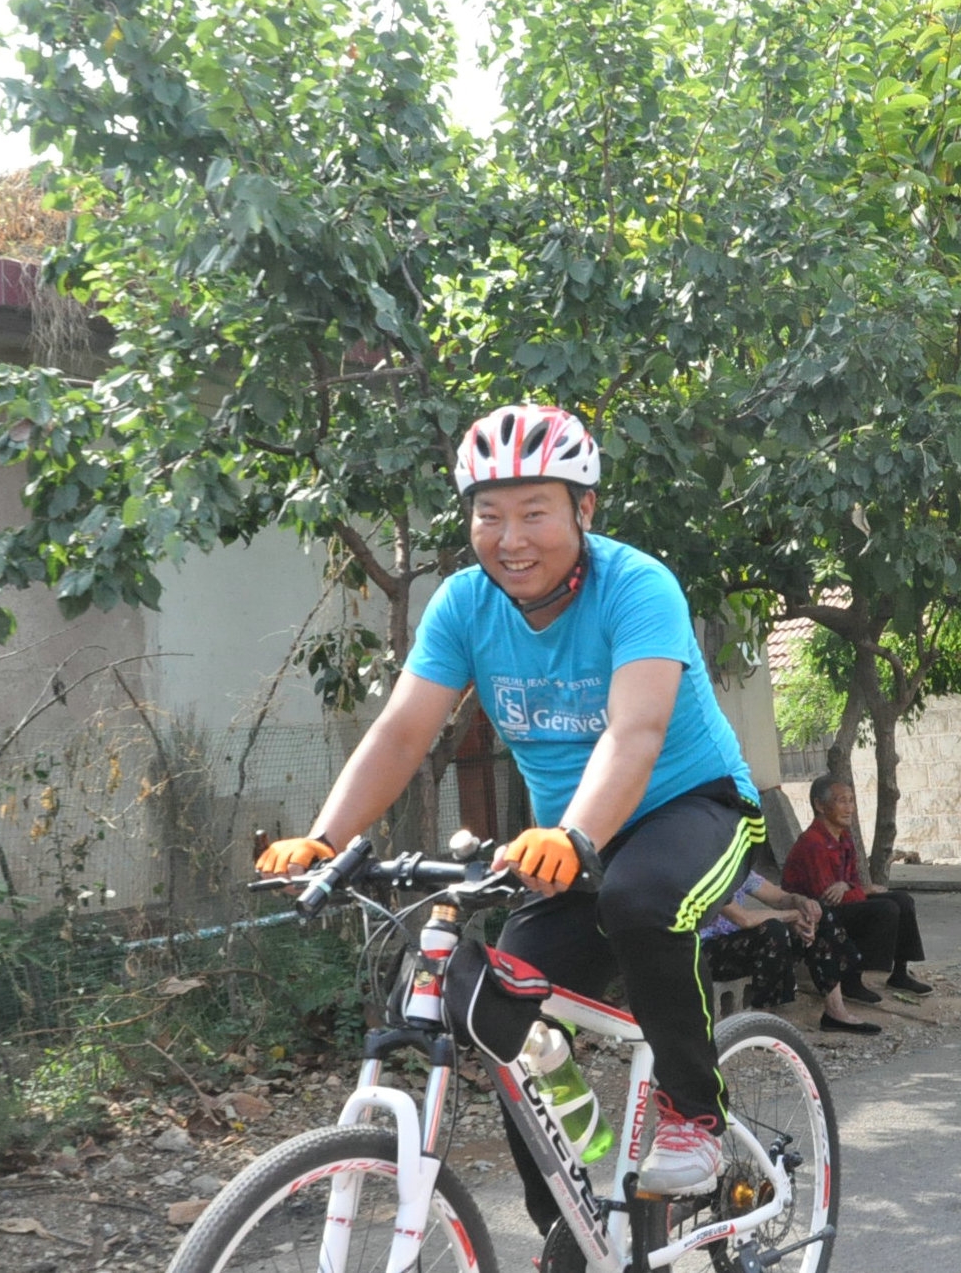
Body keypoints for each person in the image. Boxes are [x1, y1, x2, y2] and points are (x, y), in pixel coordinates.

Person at [256, 403, 763, 1230]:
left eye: (536, 512)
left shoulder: (636, 586)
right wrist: (327, 836)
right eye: (490, 515)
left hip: (692, 809)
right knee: (492, 1012)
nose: (511, 537)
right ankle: (574, 1221)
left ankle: (695, 1116)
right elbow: (401, 733)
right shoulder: (464, 606)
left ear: (584, 511)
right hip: (571, 842)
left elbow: (634, 736)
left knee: (640, 900)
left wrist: (575, 834)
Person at [779, 775, 931, 996]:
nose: (849, 808)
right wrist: (862, 890)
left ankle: (900, 973)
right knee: (884, 909)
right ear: (820, 806)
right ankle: (851, 979)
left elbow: (851, 882)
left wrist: (848, 886)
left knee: (902, 900)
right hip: (817, 913)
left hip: (840, 902)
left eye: (851, 801)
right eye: (842, 801)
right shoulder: (812, 843)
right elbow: (827, 898)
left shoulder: (844, 837)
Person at [701, 871, 883, 1035]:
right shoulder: (703, 873)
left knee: (819, 915)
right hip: (703, 953)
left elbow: (780, 898)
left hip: (735, 943)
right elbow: (744, 919)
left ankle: (835, 1011)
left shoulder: (739, 871)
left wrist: (801, 903)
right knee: (772, 930)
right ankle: (762, 1021)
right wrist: (791, 916)